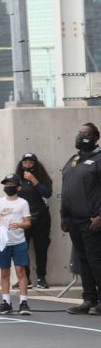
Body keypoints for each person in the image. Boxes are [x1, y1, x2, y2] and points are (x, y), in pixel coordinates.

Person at [59, 123, 101, 315]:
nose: (82, 136)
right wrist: (64, 215)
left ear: (95, 138)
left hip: (92, 220)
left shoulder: (99, 158)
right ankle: (89, 299)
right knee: (82, 261)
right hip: (74, 220)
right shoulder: (74, 159)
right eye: (80, 132)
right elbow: (66, 188)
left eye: (86, 133)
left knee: (96, 260)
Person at [0, 174, 32, 316]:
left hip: (19, 241)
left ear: (18, 187)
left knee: (21, 271)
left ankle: (23, 302)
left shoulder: (23, 203)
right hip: (3, 242)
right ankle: (6, 301)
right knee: (4, 272)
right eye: (6, 185)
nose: (8, 187)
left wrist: (20, 224)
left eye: (11, 185)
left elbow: (28, 222)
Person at [15, 152, 53, 289]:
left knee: (41, 248)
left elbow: (47, 193)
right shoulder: (17, 179)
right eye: (25, 162)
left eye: (31, 162)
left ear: (35, 164)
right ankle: (25, 278)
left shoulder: (42, 178)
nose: (27, 165)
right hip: (23, 218)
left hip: (41, 216)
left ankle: (41, 278)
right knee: (22, 248)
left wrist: (34, 181)